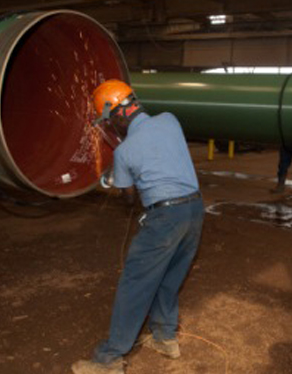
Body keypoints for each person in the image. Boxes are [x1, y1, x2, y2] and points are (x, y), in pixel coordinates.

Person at [72, 80, 204, 374]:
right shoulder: (170, 120)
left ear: (117, 114)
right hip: (194, 211)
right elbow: (160, 154)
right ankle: (165, 337)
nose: (112, 128)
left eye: (110, 121)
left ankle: (109, 359)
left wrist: (114, 179)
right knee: (170, 278)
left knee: (135, 284)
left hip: (165, 218)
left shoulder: (124, 152)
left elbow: (129, 199)